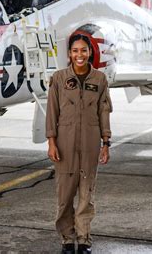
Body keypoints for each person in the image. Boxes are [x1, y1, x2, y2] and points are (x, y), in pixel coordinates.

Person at [46, 33, 112, 254]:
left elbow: (104, 112)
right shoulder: (58, 79)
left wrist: (106, 142)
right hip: (64, 143)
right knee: (64, 196)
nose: (79, 55)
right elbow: (52, 113)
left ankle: (83, 240)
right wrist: (51, 142)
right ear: (69, 54)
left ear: (90, 52)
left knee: (86, 195)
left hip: (91, 143)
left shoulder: (100, 79)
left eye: (83, 50)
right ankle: (67, 239)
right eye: (75, 51)